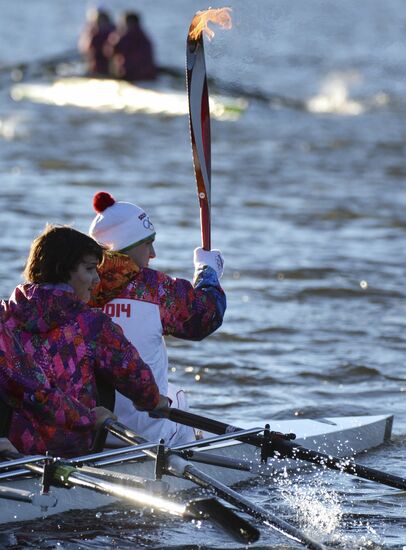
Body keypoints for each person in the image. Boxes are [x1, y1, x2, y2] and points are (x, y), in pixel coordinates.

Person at [1, 225, 167, 458]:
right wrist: (153, 399)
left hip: (13, 449)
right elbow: (134, 375)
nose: (97, 280)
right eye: (90, 269)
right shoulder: (91, 324)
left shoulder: (5, 316)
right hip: (72, 450)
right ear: (62, 270)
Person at [88, 191, 226, 446]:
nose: (153, 253)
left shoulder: (75, 285)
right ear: (126, 248)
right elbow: (205, 318)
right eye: (147, 243)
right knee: (178, 397)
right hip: (144, 436)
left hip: (85, 431)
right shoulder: (154, 289)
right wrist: (208, 272)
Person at [106, 11, 157, 81]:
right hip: (147, 75)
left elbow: (109, 52)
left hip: (131, 75)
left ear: (127, 22)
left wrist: (114, 36)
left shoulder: (126, 36)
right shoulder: (144, 36)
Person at [78, 7, 115, 76]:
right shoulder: (113, 30)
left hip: (103, 67)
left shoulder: (94, 33)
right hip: (99, 65)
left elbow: (85, 48)